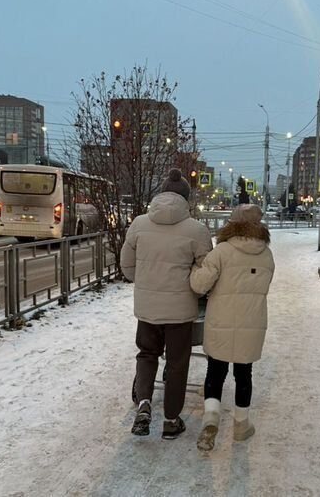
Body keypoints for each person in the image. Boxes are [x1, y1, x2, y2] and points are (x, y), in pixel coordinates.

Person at [120, 169, 213, 440]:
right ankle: (172, 420)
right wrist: (192, 289)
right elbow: (204, 271)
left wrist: (147, 282)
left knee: (147, 354)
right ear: (186, 198)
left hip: (147, 308)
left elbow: (127, 265)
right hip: (180, 312)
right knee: (176, 362)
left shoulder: (138, 224)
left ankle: (145, 404)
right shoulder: (196, 230)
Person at [190, 204, 274, 452]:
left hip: (221, 321)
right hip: (252, 322)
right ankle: (241, 425)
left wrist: (196, 269)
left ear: (232, 224)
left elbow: (199, 285)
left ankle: (211, 421)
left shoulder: (222, 252)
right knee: (244, 374)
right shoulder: (267, 255)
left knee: (215, 372)